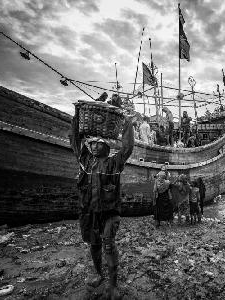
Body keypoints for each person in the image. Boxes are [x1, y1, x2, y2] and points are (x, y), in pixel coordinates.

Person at [69, 107, 134, 300]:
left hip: (109, 214)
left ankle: (113, 286)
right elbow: (74, 141)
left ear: (106, 146)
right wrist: (76, 118)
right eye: (92, 143)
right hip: (90, 213)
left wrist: (127, 123)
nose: (94, 146)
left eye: (99, 143)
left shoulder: (115, 162)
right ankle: (99, 274)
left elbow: (127, 147)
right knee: (94, 245)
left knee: (108, 246)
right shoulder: (85, 161)